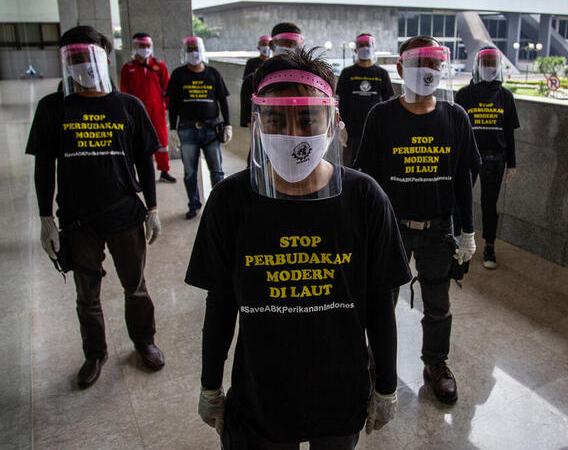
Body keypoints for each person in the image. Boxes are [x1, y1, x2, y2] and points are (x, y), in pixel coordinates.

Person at [188, 47, 411, 448]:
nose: (291, 134)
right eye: (276, 120)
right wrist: (210, 385)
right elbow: (220, 303)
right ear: (257, 125)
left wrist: (386, 386)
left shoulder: (365, 198)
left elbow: (380, 303)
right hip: (260, 396)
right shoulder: (230, 201)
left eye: (308, 119)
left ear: (332, 124)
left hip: (339, 392)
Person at [26, 26, 165, 389]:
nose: (82, 66)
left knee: (135, 287)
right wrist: (45, 219)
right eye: (74, 59)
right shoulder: (54, 108)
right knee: (86, 294)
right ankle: (95, 353)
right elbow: (44, 166)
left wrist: (152, 208)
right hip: (77, 219)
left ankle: (144, 341)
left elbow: (144, 161)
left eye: (88, 57)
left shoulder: (127, 106)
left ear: (104, 59)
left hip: (123, 214)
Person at [354, 36, 480, 404]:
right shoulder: (382, 116)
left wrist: (468, 232)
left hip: (438, 230)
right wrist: (364, 231)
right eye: (418, 63)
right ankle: (378, 364)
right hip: (390, 230)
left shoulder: (455, 117)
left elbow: (462, 181)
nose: (427, 72)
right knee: (382, 301)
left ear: (444, 70)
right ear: (399, 68)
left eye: (435, 64)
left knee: (438, 304)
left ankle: (436, 364)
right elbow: (367, 181)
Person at [455, 47, 520, 269]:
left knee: (489, 205)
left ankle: (489, 246)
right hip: (467, 158)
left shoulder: (505, 96)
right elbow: (457, 131)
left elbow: (509, 132)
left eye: (494, 63)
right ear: (477, 65)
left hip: (495, 158)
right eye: (486, 62)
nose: (490, 67)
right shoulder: (465, 94)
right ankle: (457, 240)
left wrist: (511, 163)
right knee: (461, 201)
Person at [166, 36, 231, 219]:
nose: (194, 52)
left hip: (211, 129)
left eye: (196, 48)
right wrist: (173, 128)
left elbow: (222, 101)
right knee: (190, 172)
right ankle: (193, 204)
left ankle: (219, 205)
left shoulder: (213, 73)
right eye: (190, 49)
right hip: (187, 129)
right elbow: (173, 104)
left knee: (217, 170)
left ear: (202, 50)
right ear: (185, 52)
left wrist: (227, 124)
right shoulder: (179, 74)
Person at [120, 33, 175, 183]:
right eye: (142, 46)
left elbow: (167, 89)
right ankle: (143, 172)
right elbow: (123, 91)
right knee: (140, 142)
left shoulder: (159, 65)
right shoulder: (128, 68)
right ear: (135, 47)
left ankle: (164, 170)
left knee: (162, 141)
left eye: (148, 46)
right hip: (136, 113)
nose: (145, 49)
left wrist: (171, 108)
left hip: (157, 111)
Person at [336, 33, 395, 166]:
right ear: (356, 49)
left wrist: (386, 127)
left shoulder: (382, 74)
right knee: (350, 166)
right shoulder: (347, 73)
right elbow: (342, 102)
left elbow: (387, 103)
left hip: (375, 130)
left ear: (373, 47)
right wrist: (341, 128)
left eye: (367, 45)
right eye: (361, 46)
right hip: (352, 133)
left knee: (374, 166)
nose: (365, 49)